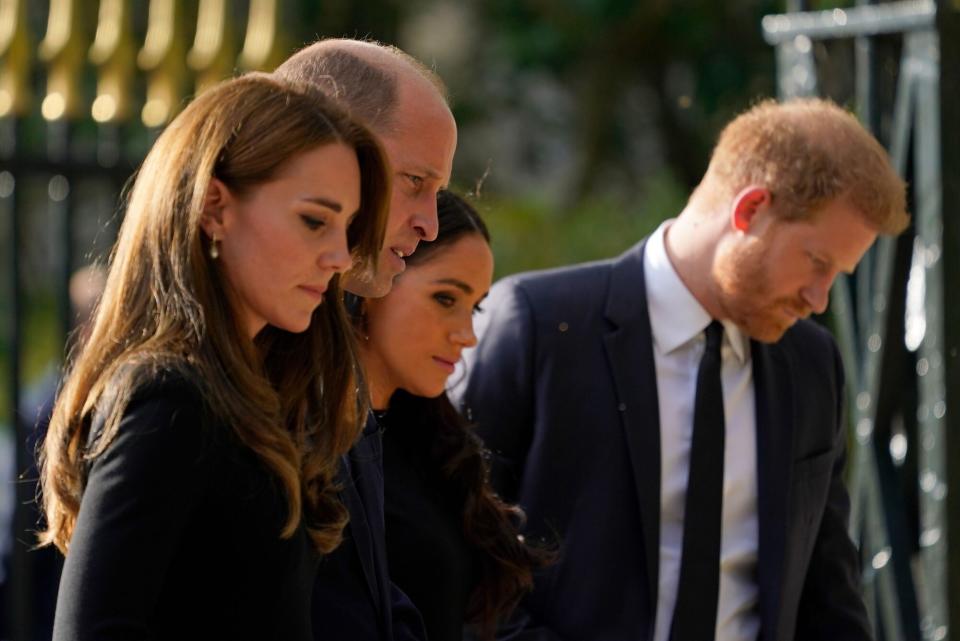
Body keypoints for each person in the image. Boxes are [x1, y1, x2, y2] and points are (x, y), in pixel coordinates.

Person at [457, 98, 909, 641]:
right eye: (817, 262)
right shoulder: (539, 324)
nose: (819, 298)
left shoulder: (812, 364)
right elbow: (454, 560)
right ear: (751, 210)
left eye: (838, 274)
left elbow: (827, 587)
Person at [39, 72, 390, 640]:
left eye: (346, 228)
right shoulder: (171, 397)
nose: (338, 256)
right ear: (214, 206)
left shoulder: (256, 396)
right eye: (314, 220)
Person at [274, 39, 458, 641]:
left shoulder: (328, 357)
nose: (430, 223)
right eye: (414, 181)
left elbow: (366, 600)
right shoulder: (196, 378)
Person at [354, 191, 550, 641]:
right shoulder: (314, 444)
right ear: (374, 277)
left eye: (476, 307)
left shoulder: (434, 443)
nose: (467, 335)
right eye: (446, 299)